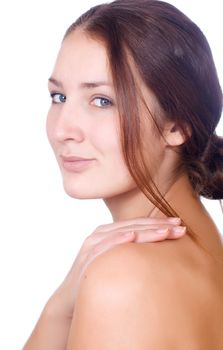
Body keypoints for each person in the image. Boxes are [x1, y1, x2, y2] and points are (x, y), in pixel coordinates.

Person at [24, 0, 223, 349]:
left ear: (177, 126)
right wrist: (62, 305)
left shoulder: (123, 277)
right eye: (59, 96)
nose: (62, 129)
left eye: (102, 101)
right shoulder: (205, 250)